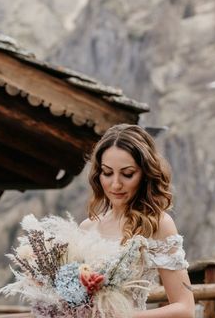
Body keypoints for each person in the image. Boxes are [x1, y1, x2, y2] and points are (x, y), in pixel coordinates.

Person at [79, 124, 195, 318]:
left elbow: (185, 309)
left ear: (145, 174)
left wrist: (123, 316)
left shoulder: (158, 224)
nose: (116, 184)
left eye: (127, 174)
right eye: (107, 172)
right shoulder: (87, 227)